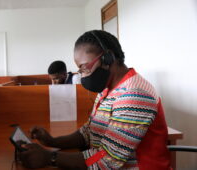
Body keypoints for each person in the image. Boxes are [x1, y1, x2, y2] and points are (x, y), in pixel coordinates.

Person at [18, 30, 171, 169]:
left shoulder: (133, 95)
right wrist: (53, 142)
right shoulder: (107, 88)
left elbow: (106, 161)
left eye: (85, 67)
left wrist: (50, 157)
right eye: (80, 70)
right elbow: (89, 132)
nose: (83, 76)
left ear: (107, 58)